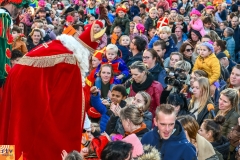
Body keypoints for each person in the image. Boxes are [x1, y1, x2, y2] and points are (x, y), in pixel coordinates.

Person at [0, 21, 105, 159]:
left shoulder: (60, 46)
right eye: (90, 56)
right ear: (85, 52)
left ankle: (5, 156)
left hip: (16, 80)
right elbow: (69, 105)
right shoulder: (72, 60)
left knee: (12, 122)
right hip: (26, 89)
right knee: (24, 129)